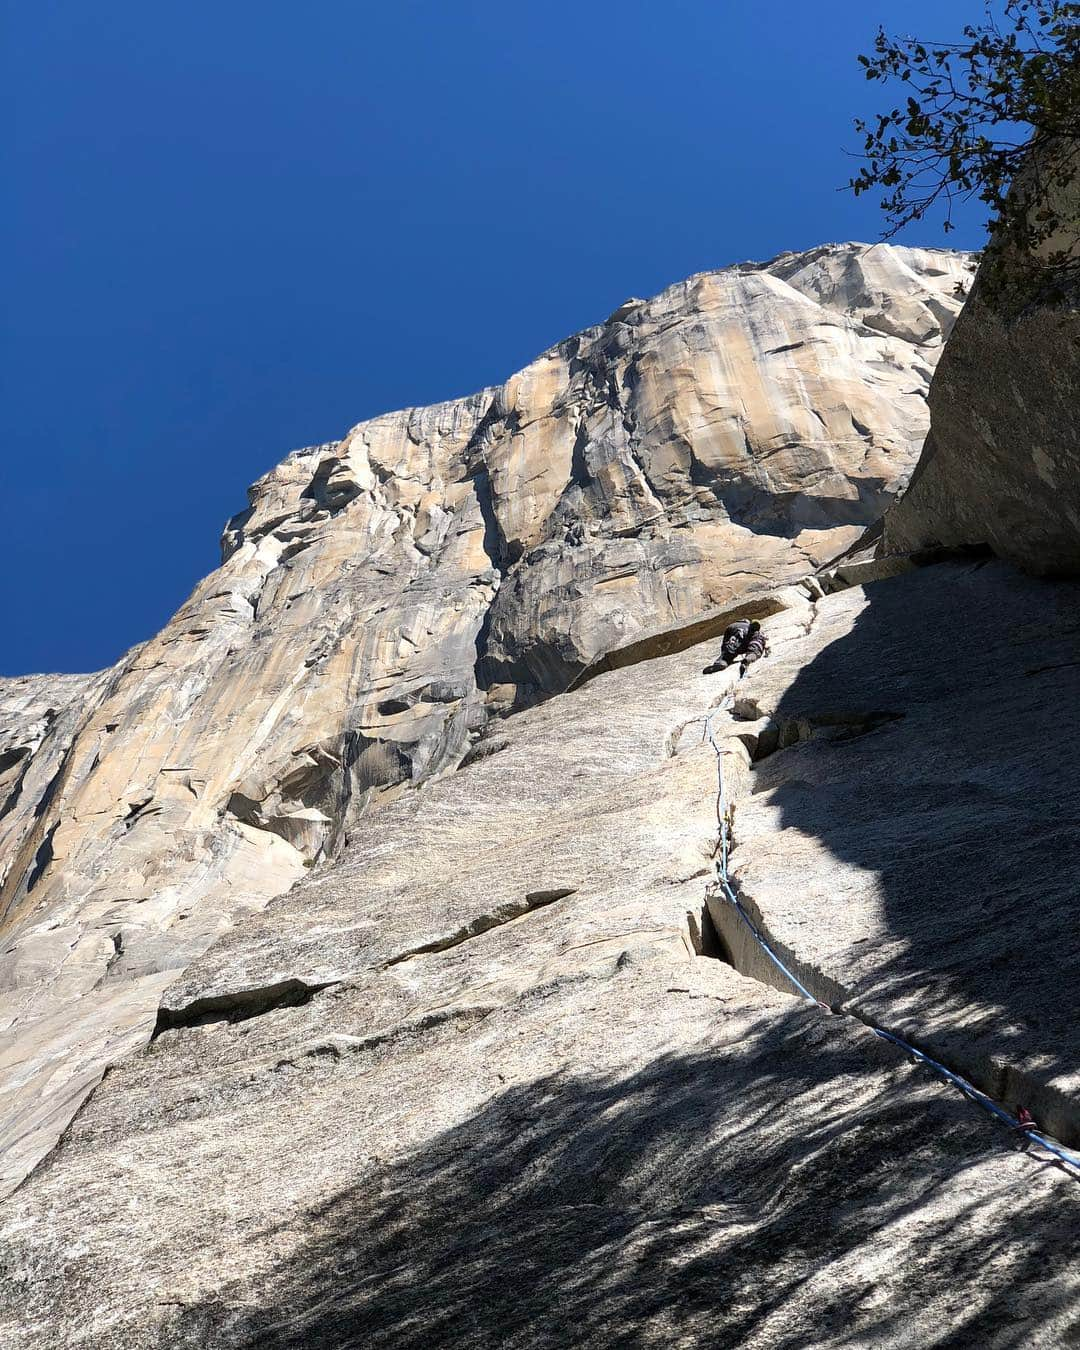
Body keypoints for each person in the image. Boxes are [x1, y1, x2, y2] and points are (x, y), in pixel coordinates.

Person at [703, 619, 768, 676]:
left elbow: (727, 643)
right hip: (750, 636)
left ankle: (723, 661)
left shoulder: (733, 626)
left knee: (731, 648)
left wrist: (725, 653)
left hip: (736, 635)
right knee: (756, 643)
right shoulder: (750, 628)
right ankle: (750, 657)